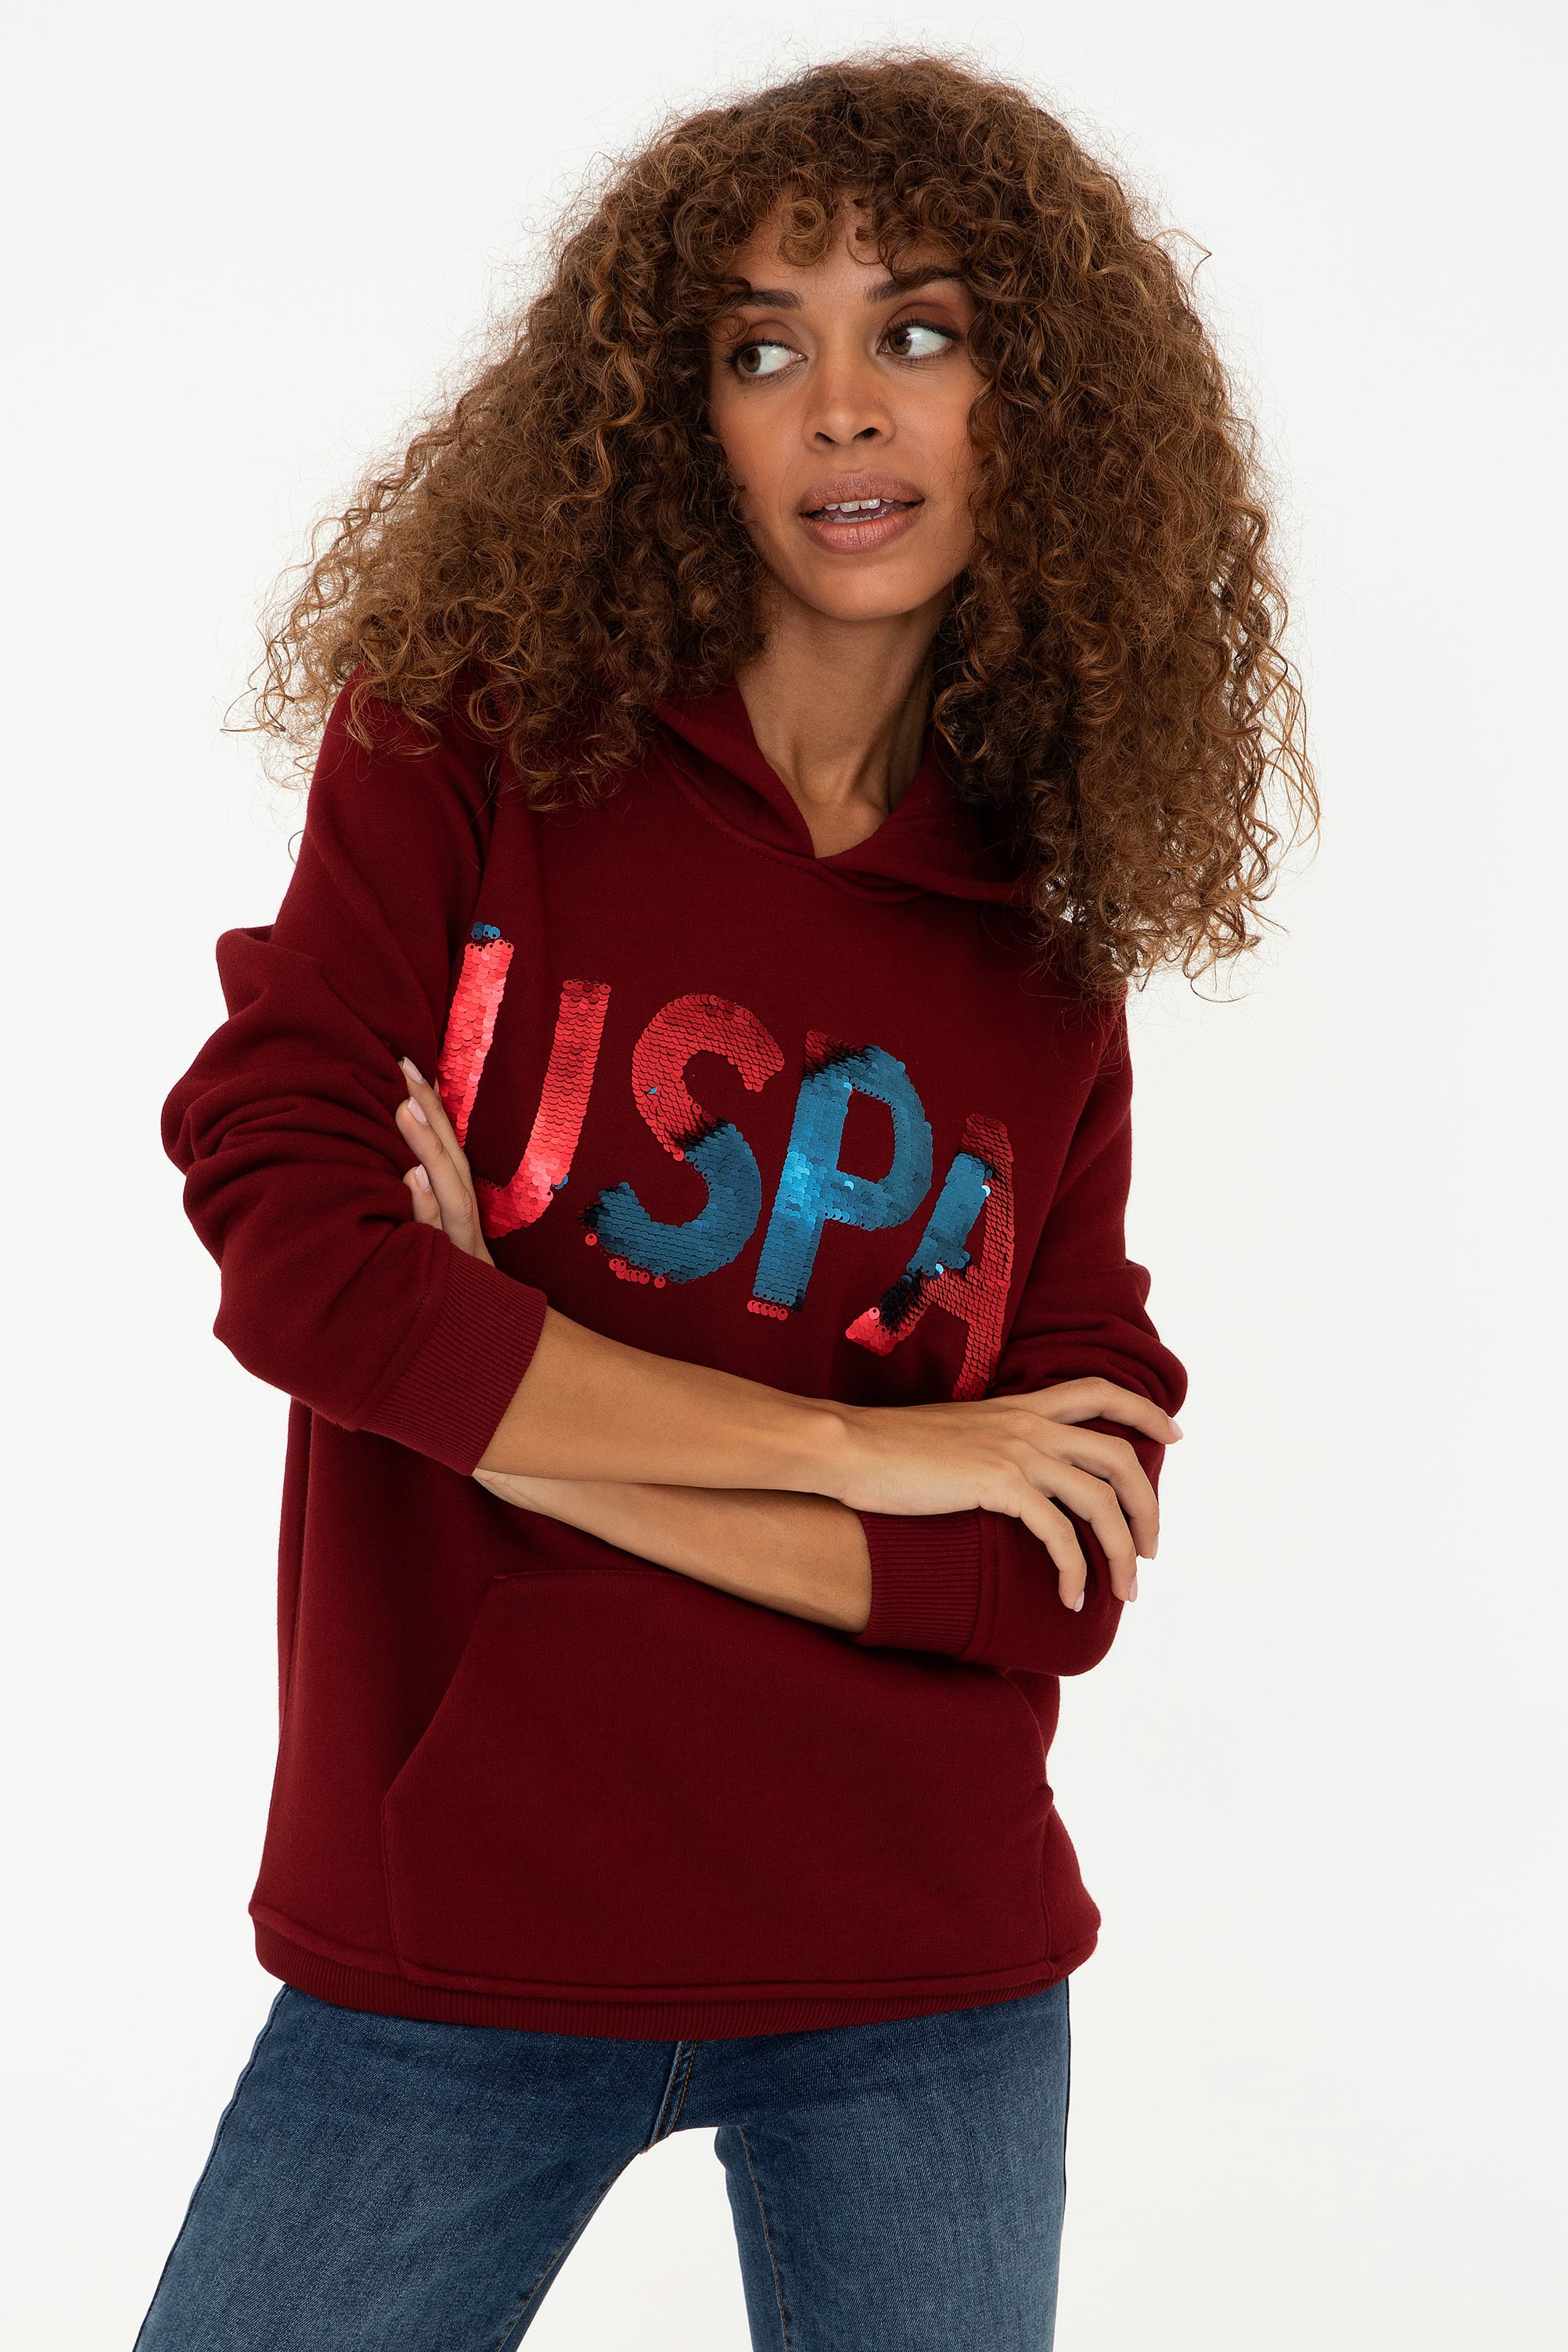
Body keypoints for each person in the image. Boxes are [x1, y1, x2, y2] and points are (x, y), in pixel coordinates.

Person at [140, 52, 1312, 2352]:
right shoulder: (466, 749)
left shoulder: (1040, 955)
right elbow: (302, 1254)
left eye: (920, 331)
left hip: (923, 1971)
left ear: (1039, 406)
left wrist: (510, 1417)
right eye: (764, 348)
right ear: (680, 422)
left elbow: (1046, 1564)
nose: (844, 406)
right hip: (467, 1935)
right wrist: (865, 1452)